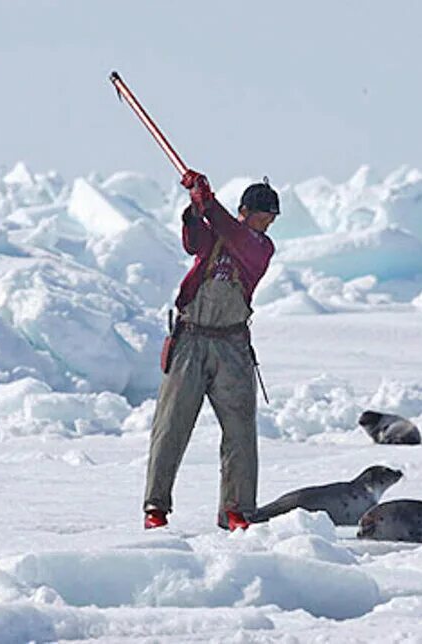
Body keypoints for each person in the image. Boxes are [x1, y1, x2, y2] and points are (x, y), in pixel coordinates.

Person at [143, 170, 277, 531]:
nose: (267, 223)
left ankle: (237, 510)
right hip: (190, 339)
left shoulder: (259, 247)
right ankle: (156, 508)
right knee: (170, 426)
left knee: (240, 432)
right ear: (245, 211)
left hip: (232, 345)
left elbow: (233, 235)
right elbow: (194, 240)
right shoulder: (220, 232)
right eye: (263, 215)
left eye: (271, 218)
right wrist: (195, 205)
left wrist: (207, 200)